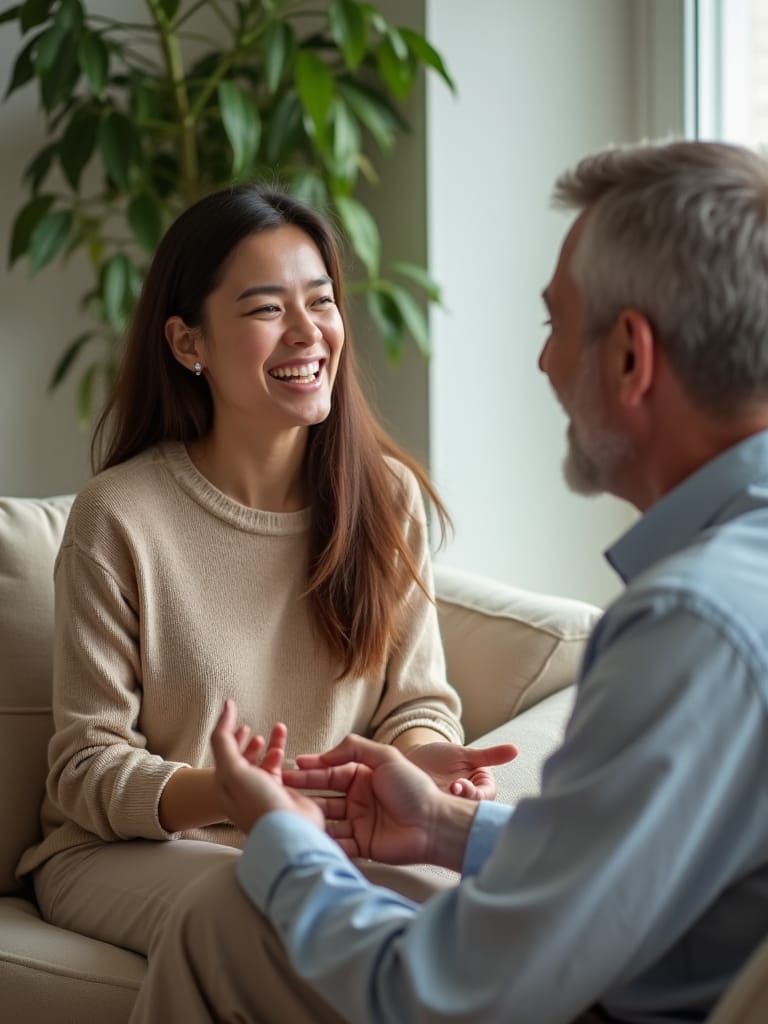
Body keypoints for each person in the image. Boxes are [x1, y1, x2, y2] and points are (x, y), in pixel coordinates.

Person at [130, 139, 768, 1024]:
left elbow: (437, 994)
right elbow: (636, 874)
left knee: (227, 917)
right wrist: (442, 828)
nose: (544, 364)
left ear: (631, 356)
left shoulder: (690, 625)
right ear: (187, 340)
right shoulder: (729, 591)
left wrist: (282, 840)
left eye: (555, 325)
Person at [17, 186, 516, 960]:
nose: (307, 331)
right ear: (188, 343)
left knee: (478, 926)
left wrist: (422, 762)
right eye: (266, 309)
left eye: (321, 301)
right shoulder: (117, 517)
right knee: (277, 911)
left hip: (322, 841)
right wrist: (227, 792)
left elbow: (415, 700)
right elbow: (86, 767)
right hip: (131, 851)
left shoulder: (384, 498)